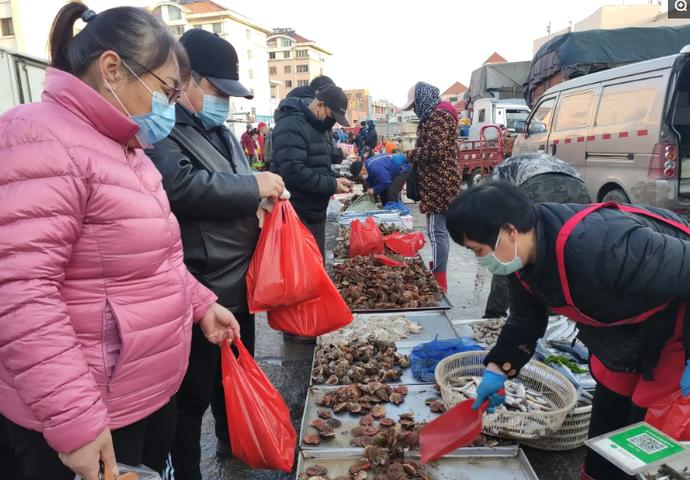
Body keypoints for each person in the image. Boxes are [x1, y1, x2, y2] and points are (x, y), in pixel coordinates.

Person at [0, 4, 242, 480]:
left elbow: (157, 258)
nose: (170, 104)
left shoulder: (126, 148)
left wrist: (199, 302)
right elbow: (20, 292)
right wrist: (75, 422)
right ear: (112, 68)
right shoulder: (38, 137)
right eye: (166, 89)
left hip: (142, 395)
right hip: (91, 409)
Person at [446, 181, 690, 480]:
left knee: (647, 424)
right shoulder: (521, 260)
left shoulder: (603, 244)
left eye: (478, 250)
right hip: (623, 333)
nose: (479, 260)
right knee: (609, 411)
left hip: (677, 323)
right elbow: (525, 321)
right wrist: (498, 369)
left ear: (509, 231)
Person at [144, 29, 284, 480]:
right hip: (201, 284)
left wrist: (259, 198)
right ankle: (188, 471)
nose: (224, 101)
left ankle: (236, 442)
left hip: (238, 281)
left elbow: (236, 183)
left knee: (236, 374)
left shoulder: (219, 132)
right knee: (192, 398)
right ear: (186, 81)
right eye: (217, 91)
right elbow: (180, 187)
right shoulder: (162, 132)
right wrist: (251, 187)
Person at [483, 153, 591, 319]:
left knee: (508, 252)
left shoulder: (498, 175)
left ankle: (494, 314)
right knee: (563, 249)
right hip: (578, 187)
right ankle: (556, 312)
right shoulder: (528, 162)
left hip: (539, 185)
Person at [271, 85, 353, 257]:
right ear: (320, 105)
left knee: (316, 267)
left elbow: (318, 164)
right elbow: (293, 172)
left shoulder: (318, 127)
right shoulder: (290, 125)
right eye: (331, 116)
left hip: (315, 212)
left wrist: (337, 178)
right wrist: (331, 184)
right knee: (302, 271)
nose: (331, 122)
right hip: (297, 213)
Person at [403, 82, 462, 292]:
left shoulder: (438, 116)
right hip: (439, 180)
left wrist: (406, 156)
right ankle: (438, 268)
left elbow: (434, 150)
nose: (415, 111)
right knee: (438, 231)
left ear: (423, 99)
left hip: (440, 181)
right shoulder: (437, 113)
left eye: (415, 106)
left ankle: (439, 277)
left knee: (436, 231)